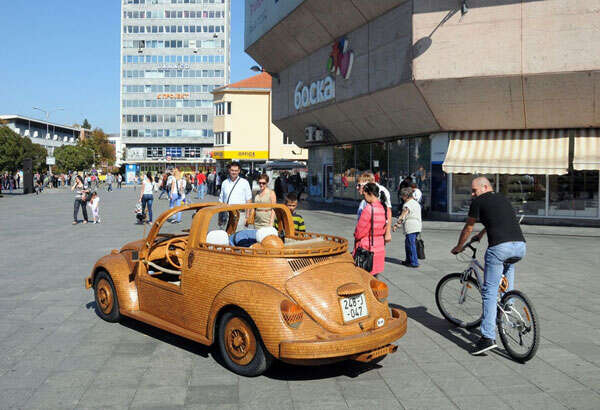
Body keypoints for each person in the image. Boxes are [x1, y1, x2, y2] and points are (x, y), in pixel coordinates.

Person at [451, 176, 526, 355]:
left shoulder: (478, 201)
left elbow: (468, 227)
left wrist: (459, 246)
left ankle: (487, 337)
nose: (472, 193)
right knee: (506, 280)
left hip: (500, 248)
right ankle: (507, 310)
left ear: (485, 187)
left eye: (474, 190)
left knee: (489, 291)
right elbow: (496, 221)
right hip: (520, 246)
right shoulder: (502, 198)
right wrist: (481, 235)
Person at [353, 183, 387, 278]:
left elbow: (360, 232)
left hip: (367, 248)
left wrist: (355, 235)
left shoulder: (368, 209)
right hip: (379, 246)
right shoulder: (382, 207)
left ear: (370, 193)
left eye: (364, 195)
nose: (364, 198)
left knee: (364, 277)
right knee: (374, 276)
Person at [356, 171, 392, 244]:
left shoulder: (381, 191)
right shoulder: (365, 198)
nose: (357, 187)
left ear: (366, 184)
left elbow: (388, 212)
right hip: (364, 234)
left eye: (359, 185)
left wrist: (388, 232)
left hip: (375, 234)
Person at [393, 187, 422, 268]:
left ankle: (414, 262)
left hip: (411, 227)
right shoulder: (416, 203)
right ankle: (408, 260)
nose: (401, 198)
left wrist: (396, 225)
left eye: (402, 196)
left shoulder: (407, 205)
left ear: (406, 196)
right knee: (408, 243)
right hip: (417, 226)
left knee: (411, 244)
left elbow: (403, 215)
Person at [218, 162, 252, 231]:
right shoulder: (225, 183)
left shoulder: (244, 182)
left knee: (238, 236)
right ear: (229, 170)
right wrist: (220, 217)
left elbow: (248, 200)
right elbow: (221, 200)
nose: (234, 172)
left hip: (240, 214)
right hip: (226, 214)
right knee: (225, 235)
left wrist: (247, 216)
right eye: (232, 170)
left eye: (236, 171)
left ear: (239, 171)